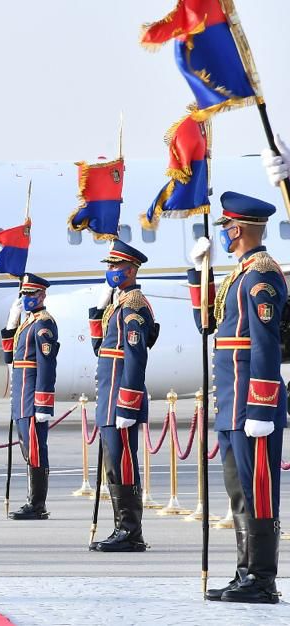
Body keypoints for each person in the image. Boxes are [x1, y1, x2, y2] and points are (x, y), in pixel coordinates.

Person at [190, 193, 285, 603]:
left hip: (251, 403)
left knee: (257, 491)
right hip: (232, 404)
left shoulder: (261, 275)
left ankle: (262, 580)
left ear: (239, 229)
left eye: (227, 228)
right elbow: (206, 322)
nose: (224, 234)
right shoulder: (239, 274)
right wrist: (200, 272)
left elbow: (265, 344)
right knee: (240, 492)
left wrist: (262, 406)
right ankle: (245, 573)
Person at [87, 241, 155, 552]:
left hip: (120, 399)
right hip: (109, 398)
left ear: (130, 270)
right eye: (110, 266)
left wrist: (128, 403)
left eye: (115, 266)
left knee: (123, 463)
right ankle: (122, 528)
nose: (111, 271)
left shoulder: (134, 305)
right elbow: (99, 347)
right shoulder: (119, 303)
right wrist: (99, 308)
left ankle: (130, 532)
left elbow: (136, 357)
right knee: (114, 464)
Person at [1, 274, 59, 520]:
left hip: (33, 397)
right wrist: (11, 323)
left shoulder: (44, 324)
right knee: (28, 449)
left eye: (31, 294)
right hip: (22, 397)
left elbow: (47, 364)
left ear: (42, 295)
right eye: (24, 294)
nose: (26, 298)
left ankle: (37, 504)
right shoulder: (28, 323)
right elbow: (9, 358)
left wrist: (43, 402)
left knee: (35, 449)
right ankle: (32, 501)